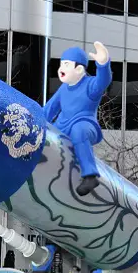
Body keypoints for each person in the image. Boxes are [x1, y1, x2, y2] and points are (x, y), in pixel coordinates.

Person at [43, 41, 112, 196]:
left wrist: (103, 64)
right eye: (61, 64)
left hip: (85, 124)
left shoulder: (89, 85)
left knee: (78, 131)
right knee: (48, 134)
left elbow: (103, 81)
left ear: (79, 69)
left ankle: (90, 175)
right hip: (63, 126)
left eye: (67, 64)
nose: (61, 69)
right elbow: (48, 110)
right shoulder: (63, 89)